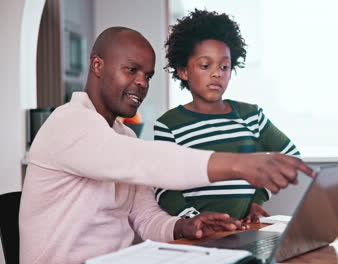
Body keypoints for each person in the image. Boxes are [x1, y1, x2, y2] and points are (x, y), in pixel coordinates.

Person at [19, 27, 314, 264]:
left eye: (147, 75)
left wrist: (184, 226)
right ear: (98, 65)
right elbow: (145, 160)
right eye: (131, 70)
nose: (142, 83)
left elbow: (145, 217)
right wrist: (239, 164)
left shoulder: (124, 137)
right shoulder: (69, 123)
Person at [153, 9, 301, 224]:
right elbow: (162, 188)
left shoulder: (251, 115)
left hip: (243, 230)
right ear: (183, 71)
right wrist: (194, 219)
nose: (217, 73)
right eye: (205, 65)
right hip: (198, 237)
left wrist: (257, 200)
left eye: (225, 66)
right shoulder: (169, 125)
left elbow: (290, 156)